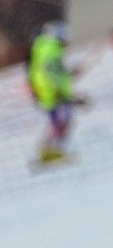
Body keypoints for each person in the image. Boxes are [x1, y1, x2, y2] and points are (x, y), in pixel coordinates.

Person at [25, 20, 80, 167]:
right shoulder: (51, 48)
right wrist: (60, 90)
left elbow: (54, 70)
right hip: (52, 92)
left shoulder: (45, 47)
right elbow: (52, 71)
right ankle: (50, 151)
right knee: (61, 121)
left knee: (58, 121)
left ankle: (50, 151)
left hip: (47, 91)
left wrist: (69, 74)